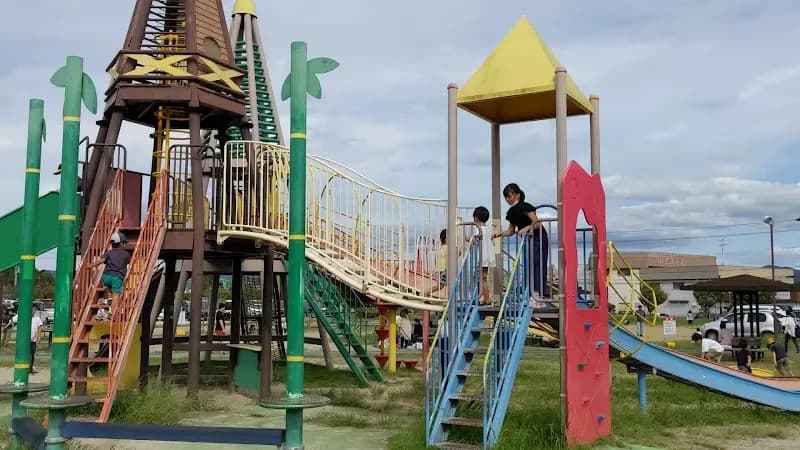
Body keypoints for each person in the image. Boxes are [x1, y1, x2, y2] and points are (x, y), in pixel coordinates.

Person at [492, 183, 549, 298]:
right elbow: (511, 231)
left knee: (538, 264)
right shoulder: (511, 212)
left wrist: (528, 227)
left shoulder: (525, 207)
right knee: (529, 265)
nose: (508, 199)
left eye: (510, 196)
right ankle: (531, 292)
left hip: (538, 237)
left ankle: (538, 293)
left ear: (517, 195)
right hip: (527, 240)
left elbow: (537, 223)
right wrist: (499, 234)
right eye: (506, 197)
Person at [89, 232, 131, 316]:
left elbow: (102, 260)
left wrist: (91, 265)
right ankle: (113, 312)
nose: (125, 245)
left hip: (106, 276)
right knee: (116, 294)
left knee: (107, 287)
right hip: (117, 277)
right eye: (124, 243)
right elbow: (128, 262)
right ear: (122, 243)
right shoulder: (126, 254)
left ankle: (109, 298)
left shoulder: (108, 253)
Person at [472, 206, 495, 305]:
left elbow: (476, 242)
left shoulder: (478, 229)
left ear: (476, 218)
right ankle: (485, 297)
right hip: (487, 258)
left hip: (481, 258)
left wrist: (469, 239)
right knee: (484, 279)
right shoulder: (488, 229)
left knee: (481, 280)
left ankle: (486, 299)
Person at [30, 304, 43, 374]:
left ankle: (31, 368)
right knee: (26, 354)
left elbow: (40, 327)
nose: (33, 311)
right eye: (32, 309)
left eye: (35, 309)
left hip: (33, 340)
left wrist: (39, 336)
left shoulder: (37, 318)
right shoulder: (25, 317)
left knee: (32, 355)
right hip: (26, 340)